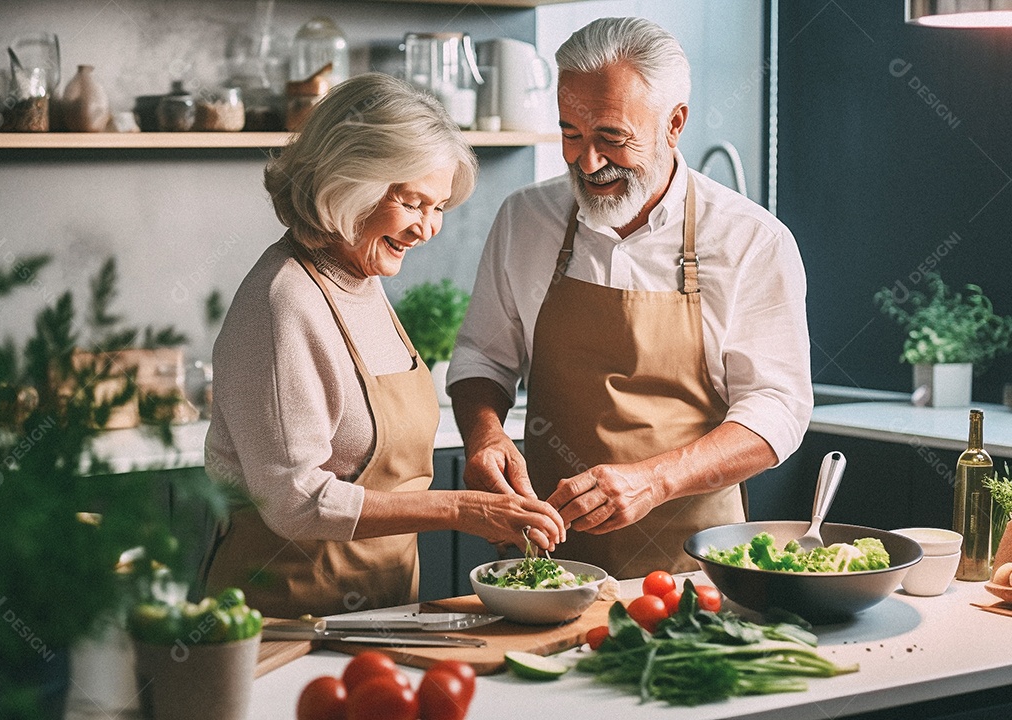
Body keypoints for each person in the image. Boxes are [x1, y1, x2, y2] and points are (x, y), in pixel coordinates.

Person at [448, 18, 812, 579]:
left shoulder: (751, 240)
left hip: (694, 568)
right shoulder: (525, 220)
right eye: (571, 133)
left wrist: (656, 478)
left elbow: (778, 409)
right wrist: (484, 433)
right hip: (547, 562)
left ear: (674, 124)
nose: (588, 162)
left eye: (612, 138)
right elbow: (483, 358)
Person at [202, 73, 565, 619]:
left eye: (439, 206)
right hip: (289, 616)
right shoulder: (283, 301)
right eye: (414, 203)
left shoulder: (361, 278)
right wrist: (462, 509)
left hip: (384, 607)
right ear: (350, 183)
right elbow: (294, 502)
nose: (429, 228)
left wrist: (483, 456)